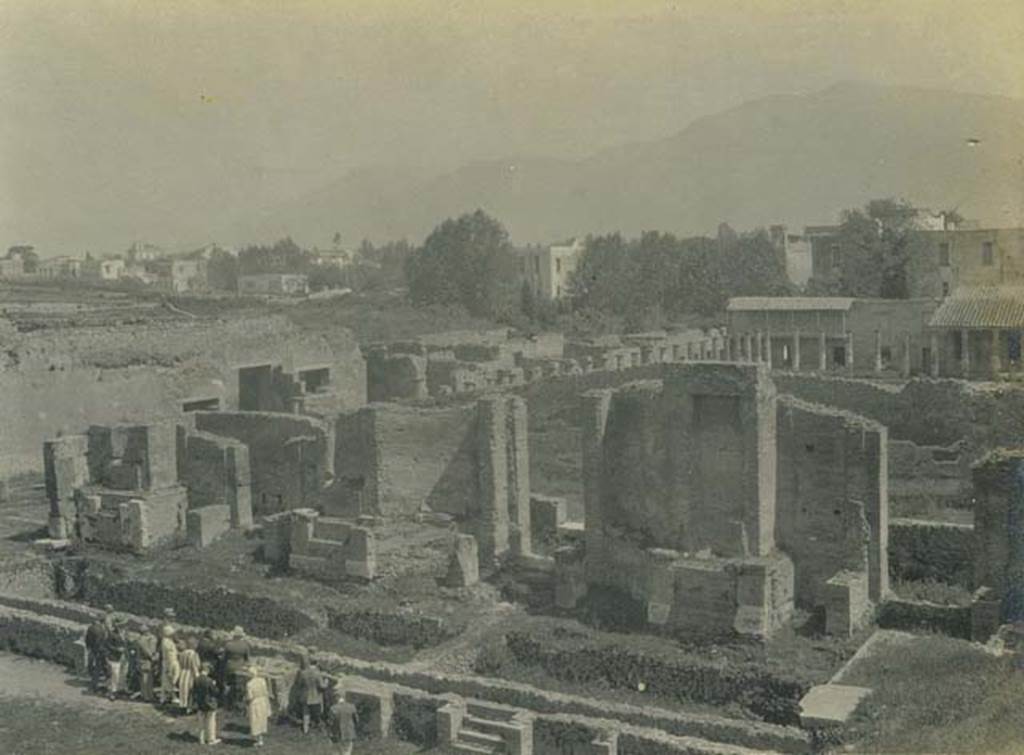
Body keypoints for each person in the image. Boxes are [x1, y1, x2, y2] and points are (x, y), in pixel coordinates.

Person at [293, 654, 327, 734]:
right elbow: (322, 686)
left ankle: (305, 729)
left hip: (305, 696)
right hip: (315, 696)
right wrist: (326, 682)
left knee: (306, 713)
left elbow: (299, 684)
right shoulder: (317, 673)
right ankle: (320, 727)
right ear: (317, 663)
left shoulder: (303, 673)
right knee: (318, 713)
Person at [192, 662, 221, 746]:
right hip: (209, 703)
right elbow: (215, 692)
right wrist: (214, 685)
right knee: (211, 721)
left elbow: (194, 691)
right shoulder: (209, 681)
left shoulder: (196, 679)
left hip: (200, 703)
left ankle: (201, 739)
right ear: (207, 670)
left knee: (201, 722)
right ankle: (211, 739)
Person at [222, 626, 251, 708]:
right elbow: (247, 659)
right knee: (239, 686)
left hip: (229, 667)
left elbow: (224, 658)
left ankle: (228, 703)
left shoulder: (228, 645)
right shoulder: (245, 645)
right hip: (240, 668)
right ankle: (238, 703)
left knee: (229, 685)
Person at [244, 664, 272, 748]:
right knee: (262, 719)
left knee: (256, 720)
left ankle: (259, 739)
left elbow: (250, 696)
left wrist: (245, 699)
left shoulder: (249, 684)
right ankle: (260, 739)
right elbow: (266, 691)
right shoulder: (262, 680)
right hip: (263, 701)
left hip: (255, 702)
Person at [326, 684, 357, 755]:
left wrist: (329, 733)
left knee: (335, 752)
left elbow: (330, 723)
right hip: (349, 734)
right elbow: (356, 721)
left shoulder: (333, 708)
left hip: (336, 735)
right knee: (347, 752)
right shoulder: (352, 707)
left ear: (337, 697)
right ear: (344, 697)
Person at [83, 613, 109, 693]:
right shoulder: (99, 630)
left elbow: (87, 639)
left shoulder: (91, 627)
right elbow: (98, 642)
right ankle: (95, 685)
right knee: (98, 668)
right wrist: (102, 651)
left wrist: (89, 647)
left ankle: (107, 680)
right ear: (103, 621)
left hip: (92, 649)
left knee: (103, 666)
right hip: (99, 651)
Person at [104, 616, 128, 700]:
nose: (124, 626)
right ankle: (112, 692)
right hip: (114, 657)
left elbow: (126, 643)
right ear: (117, 626)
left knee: (122, 674)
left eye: (124, 625)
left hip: (123, 657)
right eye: (122, 625)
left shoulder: (124, 633)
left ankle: (119, 689)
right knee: (115, 675)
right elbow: (107, 645)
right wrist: (117, 649)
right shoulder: (112, 634)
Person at [177, 637, 201, 714]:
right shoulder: (194, 654)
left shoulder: (182, 653)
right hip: (190, 673)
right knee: (190, 691)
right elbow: (195, 665)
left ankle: (182, 706)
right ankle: (189, 708)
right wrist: (197, 676)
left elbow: (180, 664)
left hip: (183, 672)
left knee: (183, 690)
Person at [134, 628, 159, 702]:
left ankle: (148, 694)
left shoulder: (145, 639)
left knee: (148, 679)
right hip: (145, 661)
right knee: (146, 679)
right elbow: (147, 651)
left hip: (146, 661)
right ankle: (146, 696)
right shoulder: (142, 640)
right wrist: (153, 657)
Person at [158, 624, 181, 705]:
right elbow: (169, 655)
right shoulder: (166, 642)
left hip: (170, 662)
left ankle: (164, 697)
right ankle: (173, 697)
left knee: (167, 681)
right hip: (170, 662)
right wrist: (169, 667)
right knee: (171, 680)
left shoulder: (167, 641)